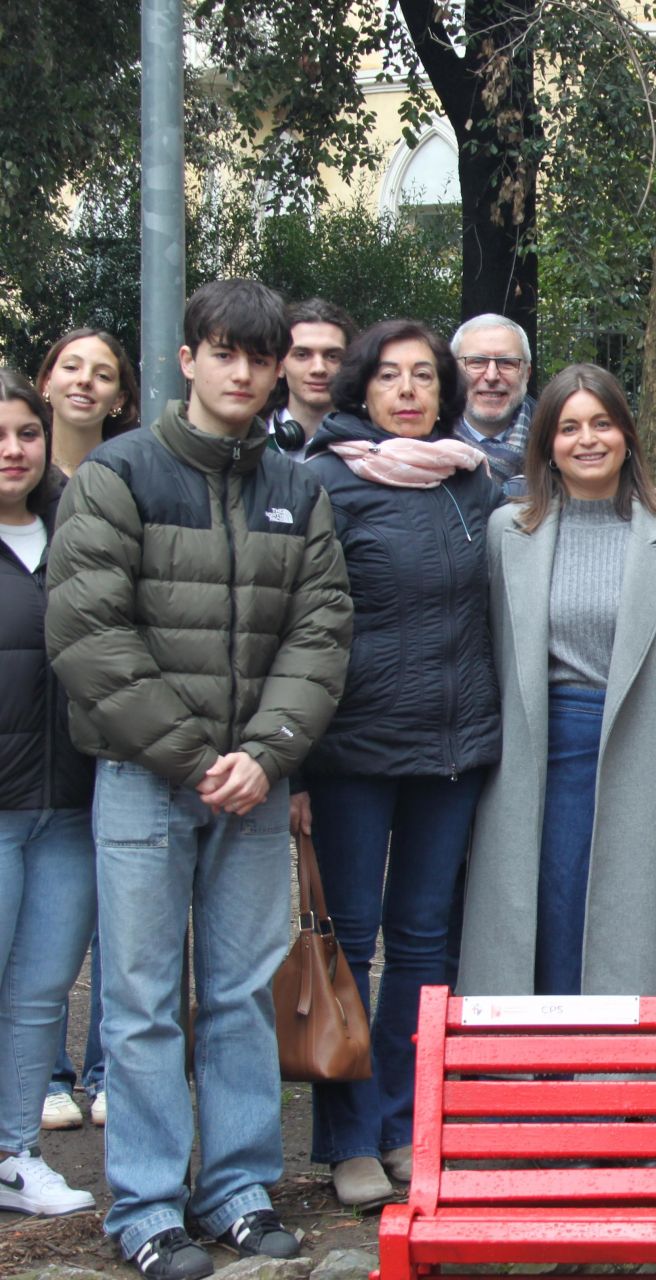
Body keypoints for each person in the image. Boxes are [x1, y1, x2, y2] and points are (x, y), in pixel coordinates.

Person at [45, 278, 353, 1279]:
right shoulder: (119, 474)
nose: (246, 372)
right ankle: (143, 1202)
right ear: (187, 359)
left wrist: (263, 755)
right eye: (226, 351)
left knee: (236, 994)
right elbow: (89, 633)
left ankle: (237, 1186)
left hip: (252, 787)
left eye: (260, 358)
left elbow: (321, 633)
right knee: (136, 1000)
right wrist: (191, 754)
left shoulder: (296, 488)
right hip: (145, 778)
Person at [299, 320, 501, 1206]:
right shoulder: (325, 483)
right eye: (391, 377)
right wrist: (295, 768)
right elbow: (296, 623)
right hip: (351, 751)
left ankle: (398, 1125)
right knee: (349, 945)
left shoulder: (474, 482)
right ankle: (344, 1136)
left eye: (426, 376)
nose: (411, 391)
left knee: (424, 943)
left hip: (452, 750)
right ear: (361, 390)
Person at [459, 364, 656, 999]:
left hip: (646, 753)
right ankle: (537, 1083)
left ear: (628, 437)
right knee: (543, 916)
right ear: (547, 446)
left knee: (632, 928)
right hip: (532, 754)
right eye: (569, 427)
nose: (587, 440)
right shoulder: (507, 532)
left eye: (603, 424)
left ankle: (621, 1088)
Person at [36, 329, 139, 1131]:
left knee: (118, 913)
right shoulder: (18, 482)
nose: (85, 382)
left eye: (102, 373)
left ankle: (108, 1070)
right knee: (41, 916)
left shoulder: (125, 476)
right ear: (44, 381)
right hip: (27, 737)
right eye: (72, 367)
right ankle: (46, 1071)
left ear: (120, 396)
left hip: (111, 727)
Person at [0, 370, 97, 1217]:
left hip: (68, 804)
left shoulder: (76, 529)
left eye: (26, 434)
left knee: (40, 991)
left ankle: (15, 1153)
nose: (13, 449)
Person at [38, 328, 140, 477]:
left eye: (103, 376)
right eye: (71, 367)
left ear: (119, 399)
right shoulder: (20, 466)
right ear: (47, 382)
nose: (85, 380)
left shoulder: (133, 474)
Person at [449, 313, 535, 487]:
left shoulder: (557, 442)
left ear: (527, 374)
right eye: (477, 362)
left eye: (507, 363)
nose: (492, 376)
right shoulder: (422, 443)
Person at [268, 298, 356, 455]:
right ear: (280, 366)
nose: (318, 368)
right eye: (302, 355)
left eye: (332, 356)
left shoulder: (369, 446)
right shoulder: (247, 440)